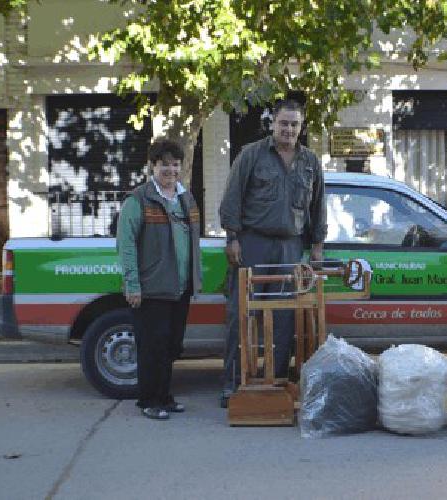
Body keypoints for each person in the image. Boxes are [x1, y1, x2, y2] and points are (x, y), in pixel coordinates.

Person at [218, 98, 326, 407]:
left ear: (301, 127)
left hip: (291, 247)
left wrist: (317, 244)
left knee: (284, 319)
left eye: (294, 124)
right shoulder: (251, 155)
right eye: (283, 123)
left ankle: (274, 382)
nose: (289, 129)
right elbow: (232, 199)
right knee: (242, 314)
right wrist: (233, 238)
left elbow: (318, 206)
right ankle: (233, 384)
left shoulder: (310, 161)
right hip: (253, 244)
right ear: (272, 123)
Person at [116, 138, 203, 420]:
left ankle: (165, 397)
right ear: (152, 166)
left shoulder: (185, 198)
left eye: (175, 164)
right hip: (151, 288)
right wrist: (132, 284)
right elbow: (126, 244)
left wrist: (194, 280)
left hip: (180, 288)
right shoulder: (138, 199)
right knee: (151, 346)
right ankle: (149, 401)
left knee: (171, 345)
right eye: (164, 164)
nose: (170, 170)